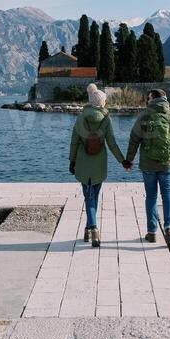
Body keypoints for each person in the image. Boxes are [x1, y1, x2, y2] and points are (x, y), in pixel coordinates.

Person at [69, 83, 131, 247]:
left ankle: (89, 228)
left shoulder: (80, 118)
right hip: (99, 163)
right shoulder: (106, 119)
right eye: (104, 101)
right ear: (101, 102)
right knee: (94, 196)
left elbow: (74, 142)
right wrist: (123, 160)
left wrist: (72, 160)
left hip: (83, 162)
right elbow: (112, 144)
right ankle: (94, 229)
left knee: (88, 197)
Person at [125, 88, 170, 247]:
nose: (147, 100)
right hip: (167, 164)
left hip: (148, 164)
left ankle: (152, 232)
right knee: (167, 194)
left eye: (148, 98)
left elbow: (134, 140)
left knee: (151, 196)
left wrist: (128, 161)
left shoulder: (144, 116)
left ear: (152, 99)